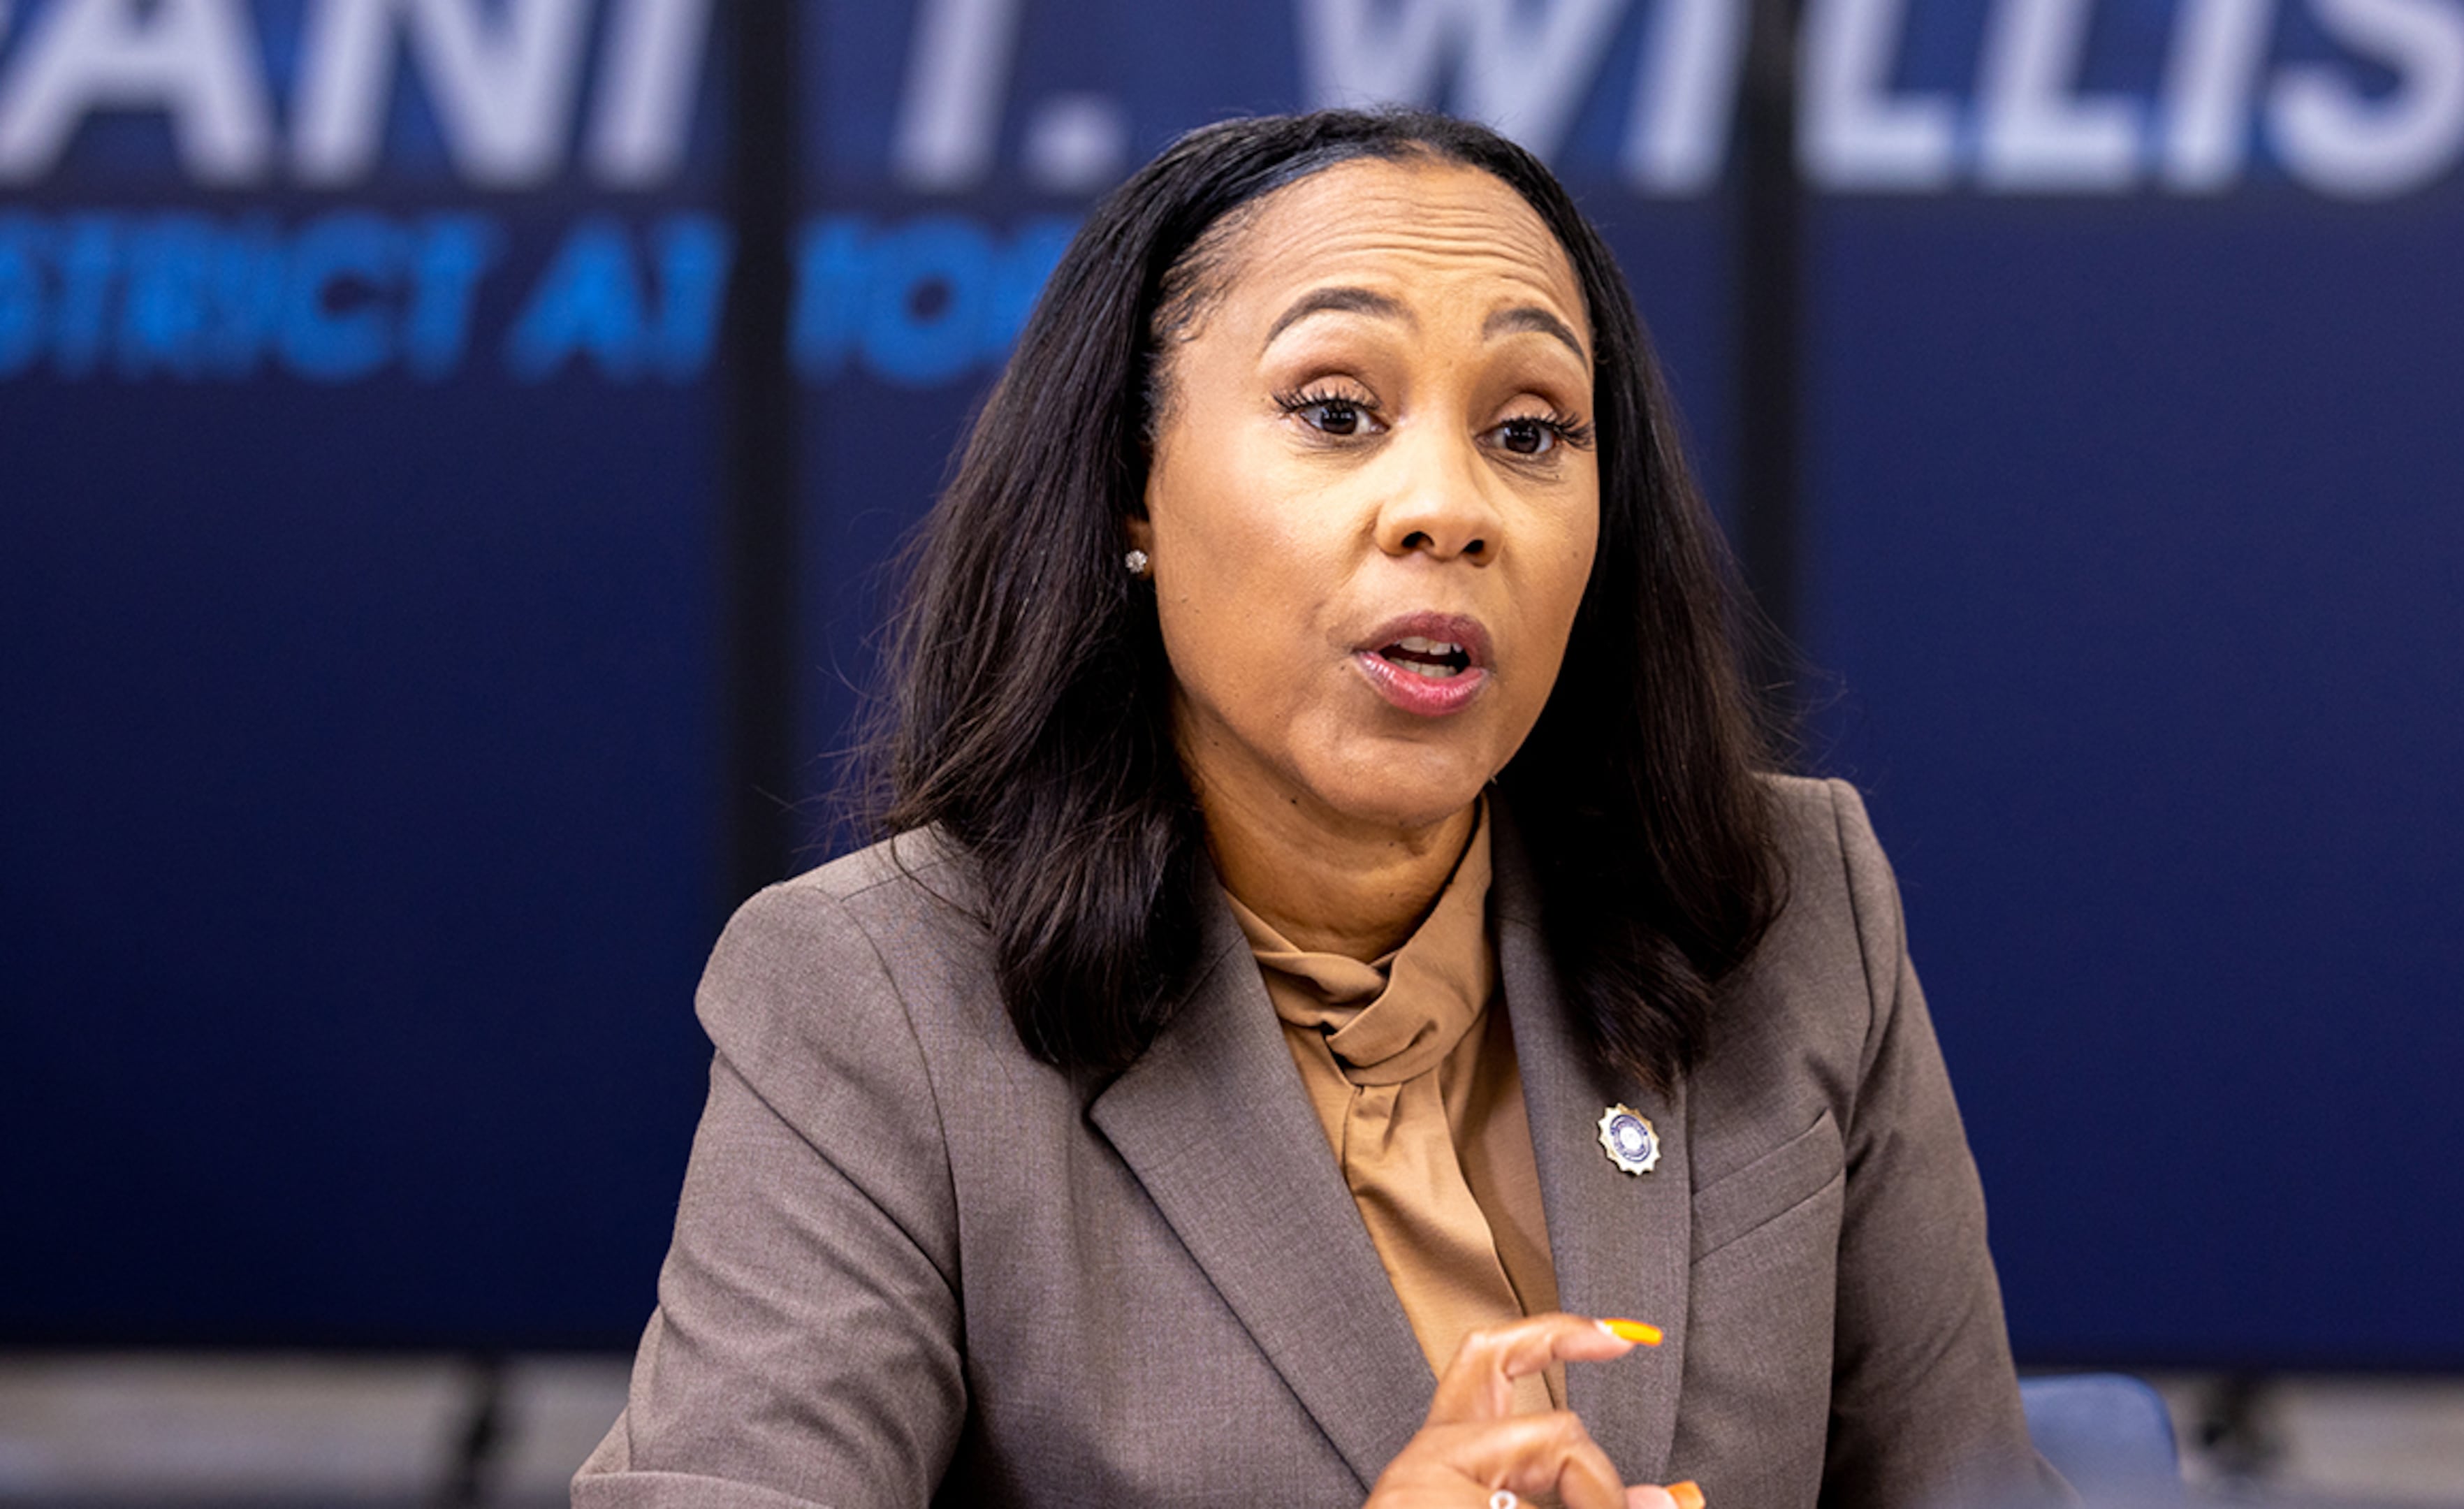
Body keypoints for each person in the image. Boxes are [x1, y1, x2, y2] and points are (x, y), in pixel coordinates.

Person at [574, 109, 2062, 1509]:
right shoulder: (876, 995)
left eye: (1532, 431)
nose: (1450, 506)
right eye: (1338, 411)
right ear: (1129, 496)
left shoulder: (1788, 907)